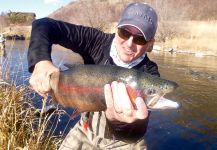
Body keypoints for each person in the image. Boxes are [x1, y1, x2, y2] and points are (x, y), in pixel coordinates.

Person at [28, 2, 159, 149]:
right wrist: (40, 61)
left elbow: (135, 134)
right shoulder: (95, 41)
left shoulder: (150, 75)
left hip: (123, 143)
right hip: (84, 130)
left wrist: (119, 123)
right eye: (125, 33)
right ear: (117, 29)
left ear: (150, 43)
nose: (129, 44)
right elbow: (43, 24)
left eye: (140, 38)